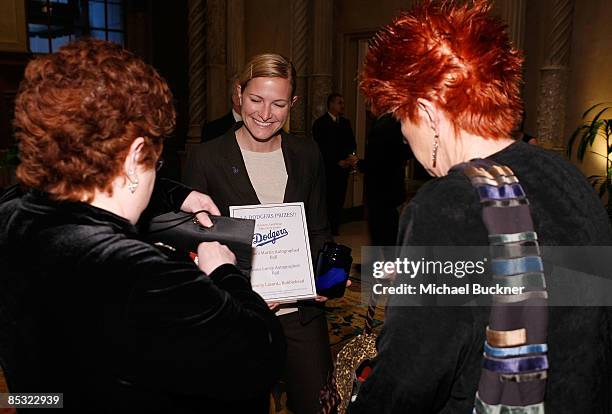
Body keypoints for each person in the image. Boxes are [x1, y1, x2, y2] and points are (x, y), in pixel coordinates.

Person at [351, 1, 612, 413]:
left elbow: (409, 381)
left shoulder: (449, 205)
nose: (405, 137)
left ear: (426, 112)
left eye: (403, 119)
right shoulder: (566, 174)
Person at [0, 39, 285, 413]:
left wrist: (176, 194)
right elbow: (260, 356)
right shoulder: (138, 274)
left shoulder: (11, 217)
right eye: (156, 160)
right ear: (136, 156)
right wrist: (226, 275)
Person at [184, 53, 333, 414]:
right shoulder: (206, 158)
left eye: (278, 103)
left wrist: (324, 278)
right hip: (239, 315)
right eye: (256, 100)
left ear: (292, 104)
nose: (266, 113)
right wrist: (233, 289)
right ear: (239, 93)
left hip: (301, 313)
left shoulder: (307, 152)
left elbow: (319, 228)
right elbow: (192, 244)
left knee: (319, 405)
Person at [358, 113, 411, 246]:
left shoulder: (383, 126)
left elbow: (377, 163)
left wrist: (359, 164)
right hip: (391, 191)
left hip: (381, 192)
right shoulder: (395, 123)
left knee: (383, 238)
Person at [312, 93, 357, 235]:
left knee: (339, 198)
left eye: (343, 103)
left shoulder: (345, 123)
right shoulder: (320, 123)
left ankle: (336, 226)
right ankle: (326, 227)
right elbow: (320, 147)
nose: (342, 106)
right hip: (328, 169)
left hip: (343, 170)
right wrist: (337, 161)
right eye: (339, 102)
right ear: (331, 104)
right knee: (328, 199)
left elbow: (351, 143)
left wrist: (350, 158)